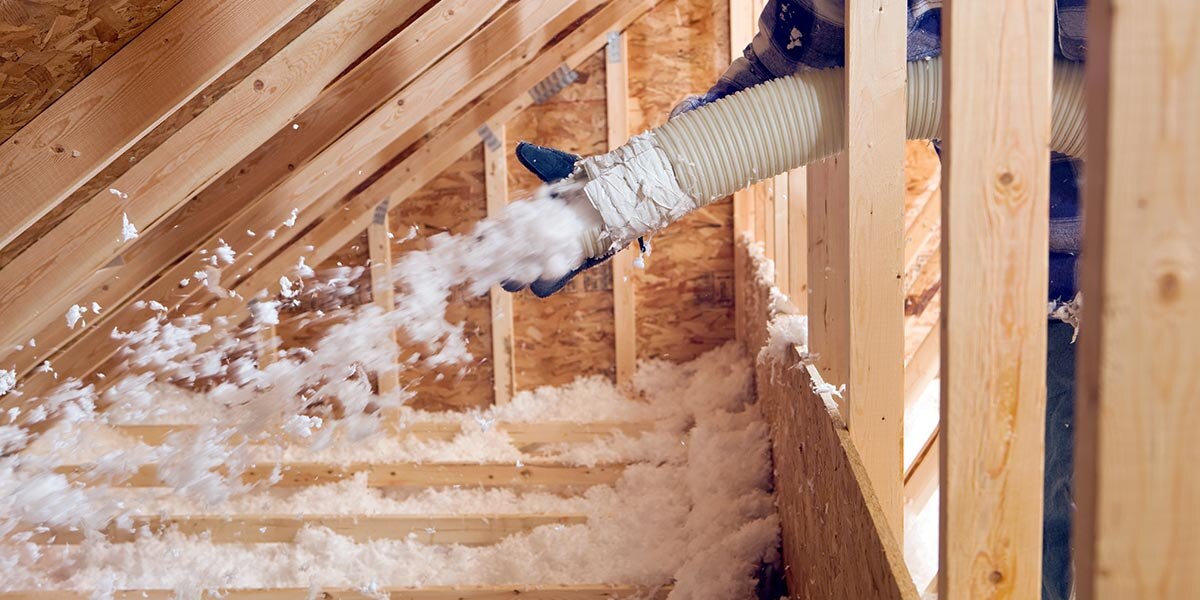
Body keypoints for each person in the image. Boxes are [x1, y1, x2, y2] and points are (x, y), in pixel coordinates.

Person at [514, 2, 1086, 597]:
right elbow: (781, 82)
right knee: (1029, 535)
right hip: (1034, 292)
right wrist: (620, 197)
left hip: (1161, 276)